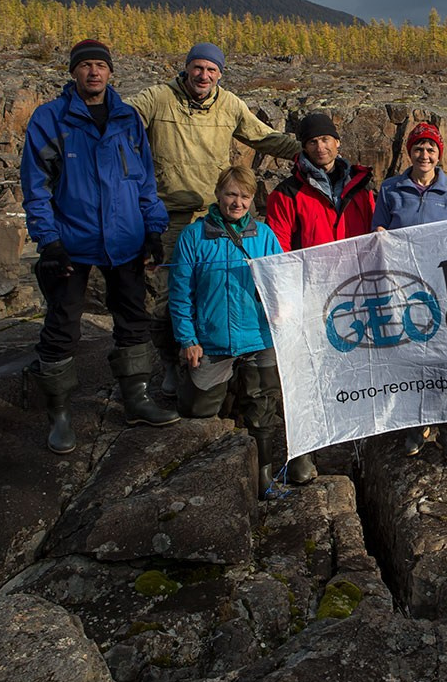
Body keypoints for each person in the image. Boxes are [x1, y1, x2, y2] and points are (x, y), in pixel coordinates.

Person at [20, 38, 179, 454]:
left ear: (110, 72)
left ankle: (137, 399)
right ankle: (59, 414)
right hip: (72, 243)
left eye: (101, 65)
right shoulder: (50, 119)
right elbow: (36, 186)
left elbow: (145, 180)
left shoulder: (127, 119)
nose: (94, 72)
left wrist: (153, 229)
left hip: (125, 240)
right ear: (74, 72)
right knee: (62, 325)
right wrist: (48, 241)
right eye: (86, 65)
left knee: (133, 318)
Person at [125, 42, 301, 393]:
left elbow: (265, 138)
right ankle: (171, 363)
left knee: (227, 285)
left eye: (211, 70)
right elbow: (121, 118)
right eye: (198, 67)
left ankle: (231, 356)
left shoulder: (230, 105)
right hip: (170, 216)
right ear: (187, 67)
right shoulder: (159, 98)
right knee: (169, 295)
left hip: (216, 213)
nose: (204, 75)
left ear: (220, 73)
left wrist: (309, 150)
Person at [264, 111, 376, 481]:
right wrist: (284, 299)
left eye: (326, 139)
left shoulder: (362, 188)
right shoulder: (287, 193)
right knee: (307, 373)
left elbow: (376, 235)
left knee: (358, 367)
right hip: (310, 298)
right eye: (312, 141)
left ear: (337, 142)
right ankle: (304, 449)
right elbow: (278, 251)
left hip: (356, 293)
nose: (321, 147)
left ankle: (361, 440)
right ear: (304, 147)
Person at [167, 165, 286, 493]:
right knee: (197, 409)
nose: (238, 203)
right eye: (231, 194)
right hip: (211, 340)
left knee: (263, 409)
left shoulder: (264, 236)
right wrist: (188, 339)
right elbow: (180, 293)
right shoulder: (194, 236)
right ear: (218, 194)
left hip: (258, 338)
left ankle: (264, 477)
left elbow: (281, 284)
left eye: (245, 196)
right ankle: (204, 477)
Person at [372, 121, 447, 463]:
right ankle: (417, 423)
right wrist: (381, 234)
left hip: (443, 286)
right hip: (405, 287)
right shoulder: (390, 189)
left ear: (439, 154)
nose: (424, 154)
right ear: (409, 152)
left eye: (430, 149)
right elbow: (377, 229)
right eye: (418, 148)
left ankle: (446, 427)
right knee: (411, 354)